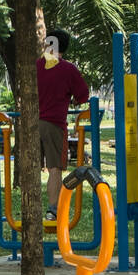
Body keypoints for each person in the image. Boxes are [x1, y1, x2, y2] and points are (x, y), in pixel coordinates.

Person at [37, 28, 90, 221]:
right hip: (54, 123)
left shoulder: (36, 66)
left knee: (32, 166)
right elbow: (83, 96)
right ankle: (52, 209)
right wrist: (71, 100)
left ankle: (32, 208)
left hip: (31, 123)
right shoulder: (68, 69)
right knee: (54, 168)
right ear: (64, 48)